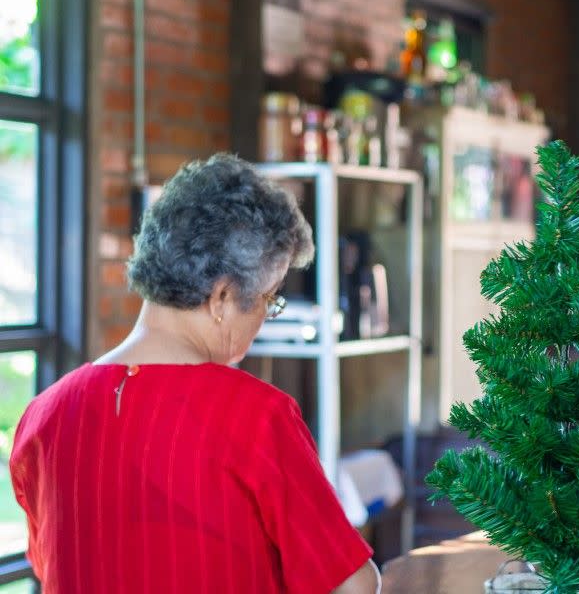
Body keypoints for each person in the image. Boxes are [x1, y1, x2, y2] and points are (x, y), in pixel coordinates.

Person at [10, 154, 380, 593]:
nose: (266, 317)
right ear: (222, 296)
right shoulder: (257, 417)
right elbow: (352, 587)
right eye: (268, 298)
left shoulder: (42, 417)